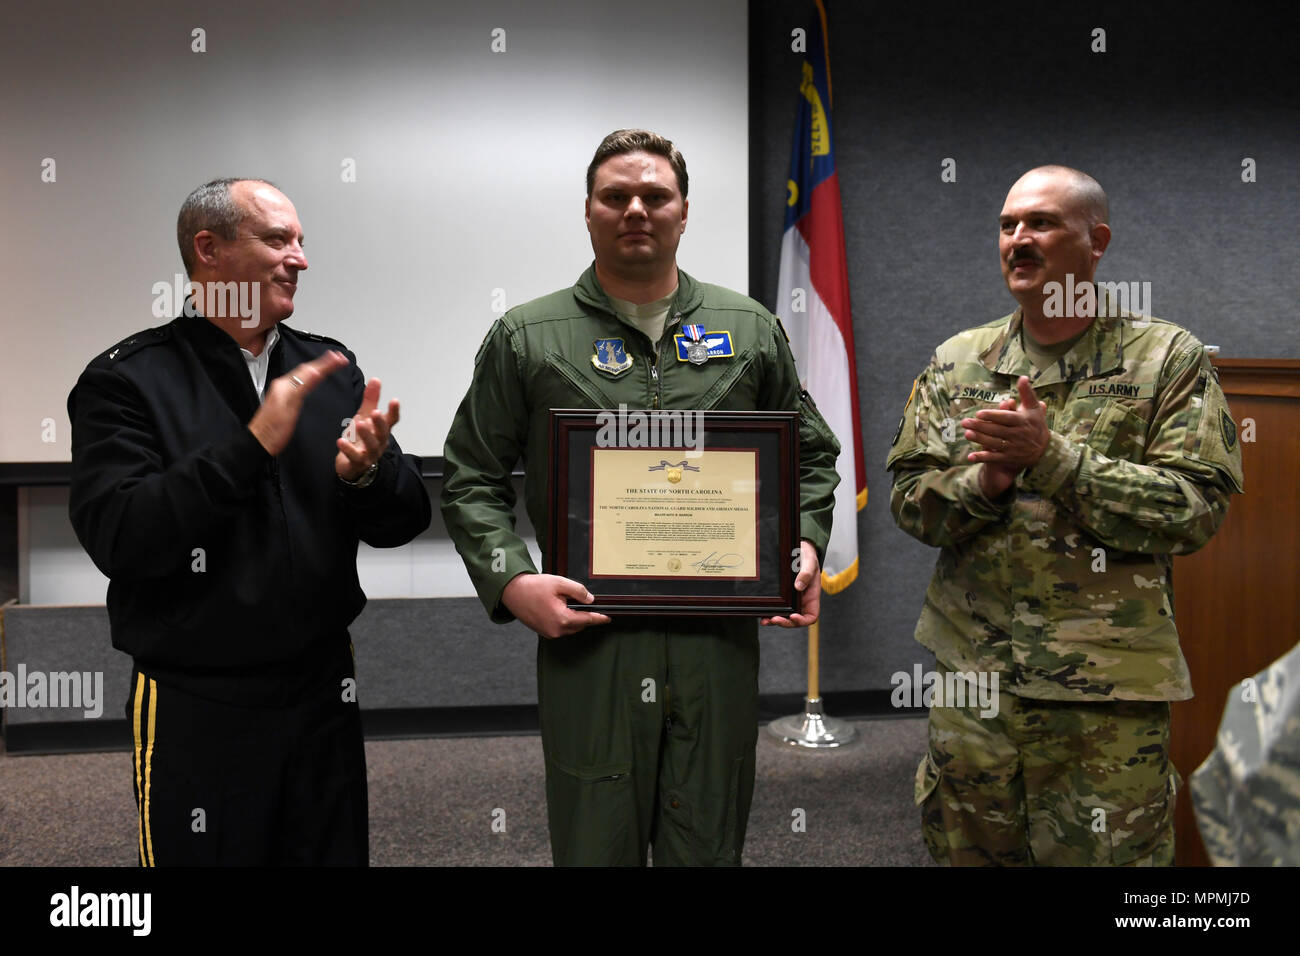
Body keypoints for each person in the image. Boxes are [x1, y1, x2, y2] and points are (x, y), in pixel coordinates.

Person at [440, 129, 840, 866]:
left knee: (708, 831)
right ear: (587, 212)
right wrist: (511, 580)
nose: (635, 209)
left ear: (683, 212)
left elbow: (811, 452)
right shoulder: (528, 337)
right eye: (614, 196)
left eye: (655, 196)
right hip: (594, 637)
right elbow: (470, 474)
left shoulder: (749, 329)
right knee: (597, 832)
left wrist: (807, 543)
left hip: (716, 637)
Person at [886, 165, 1243, 866]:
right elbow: (909, 502)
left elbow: (1195, 509)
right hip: (974, 681)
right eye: (1007, 225)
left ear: (1095, 240)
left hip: (1103, 693)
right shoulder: (958, 362)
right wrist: (986, 481)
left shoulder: (1166, 359)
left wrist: (1055, 461)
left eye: (1041, 223)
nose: (1018, 239)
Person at [67, 178, 431, 865]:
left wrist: (368, 477)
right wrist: (250, 444)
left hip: (323, 693)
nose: (299, 259)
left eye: (300, 241)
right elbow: (124, 537)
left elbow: (402, 520)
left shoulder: (329, 370)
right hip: (195, 704)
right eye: (277, 239)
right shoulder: (126, 381)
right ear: (208, 249)